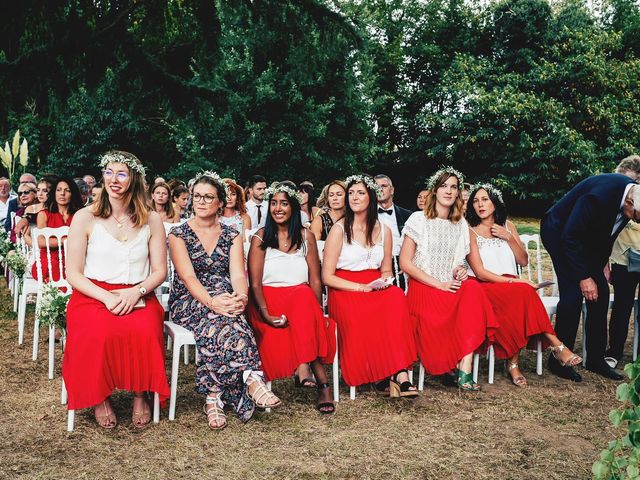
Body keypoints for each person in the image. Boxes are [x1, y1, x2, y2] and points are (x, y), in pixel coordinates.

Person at [62, 150, 170, 429]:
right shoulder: (85, 217)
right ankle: (99, 396)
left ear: (134, 178)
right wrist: (106, 297)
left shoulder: (152, 220)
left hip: (139, 293)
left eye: (121, 173)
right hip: (92, 295)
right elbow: (72, 273)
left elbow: (160, 270)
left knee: (145, 329)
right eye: (109, 172)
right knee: (98, 332)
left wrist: (137, 291)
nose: (114, 179)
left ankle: (139, 393)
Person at [168, 171, 281, 430]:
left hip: (225, 294)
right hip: (189, 298)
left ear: (220, 202)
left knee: (234, 318)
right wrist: (213, 303)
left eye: (208, 197)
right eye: (197, 196)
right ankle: (251, 380)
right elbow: (187, 277)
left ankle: (214, 397)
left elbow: (236, 274)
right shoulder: (178, 234)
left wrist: (240, 298)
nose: (201, 201)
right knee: (218, 319)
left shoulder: (232, 234)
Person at [466, 184, 582, 386]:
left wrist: (509, 238)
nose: (480, 204)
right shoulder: (469, 230)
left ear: (495, 202)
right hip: (485, 286)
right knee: (523, 292)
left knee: (521, 297)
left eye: (485, 199)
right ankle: (554, 345)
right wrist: (515, 281)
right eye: (475, 201)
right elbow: (480, 272)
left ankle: (516, 363)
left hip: (513, 288)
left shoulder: (508, 225)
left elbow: (523, 261)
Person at [399, 167, 497, 391]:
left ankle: (465, 365)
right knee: (469, 292)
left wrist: (459, 271)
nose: (449, 191)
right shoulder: (418, 219)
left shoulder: (460, 224)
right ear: (435, 190)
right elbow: (405, 263)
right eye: (444, 185)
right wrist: (439, 284)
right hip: (424, 288)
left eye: (454, 186)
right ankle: (458, 364)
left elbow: (456, 263)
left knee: (472, 288)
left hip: (448, 286)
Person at [322, 175, 418, 397]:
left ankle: (400, 373)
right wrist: (360, 287)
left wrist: (383, 281)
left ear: (371, 197)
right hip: (345, 289)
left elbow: (386, 268)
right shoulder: (338, 230)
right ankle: (381, 372)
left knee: (396, 298)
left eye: (361, 193)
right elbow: (327, 276)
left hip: (374, 286)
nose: (354, 197)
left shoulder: (384, 230)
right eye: (352, 193)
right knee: (363, 313)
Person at [541, 171, 640, 381]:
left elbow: (607, 235)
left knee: (601, 291)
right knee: (572, 295)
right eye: (637, 217)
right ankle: (558, 359)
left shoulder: (633, 192)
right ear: (630, 203)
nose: (637, 222)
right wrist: (584, 277)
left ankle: (595, 359)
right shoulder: (597, 198)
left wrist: (602, 264)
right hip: (559, 233)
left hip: (584, 238)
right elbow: (570, 237)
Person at [247, 183, 335, 413]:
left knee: (304, 294)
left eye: (284, 203)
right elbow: (254, 283)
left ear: (294, 207)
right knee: (302, 298)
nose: (278, 208)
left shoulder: (306, 236)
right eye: (273, 203)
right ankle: (322, 384)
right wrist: (266, 314)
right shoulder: (260, 237)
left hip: (302, 299)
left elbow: (316, 280)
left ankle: (305, 367)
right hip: (268, 301)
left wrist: (317, 312)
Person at [606, 155, 640, 368]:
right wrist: (604, 264)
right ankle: (614, 351)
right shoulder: (615, 198)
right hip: (622, 260)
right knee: (621, 307)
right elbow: (605, 233)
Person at [26, 177, 83, 282]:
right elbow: (41, 241)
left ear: (73, 194)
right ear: (54, 193)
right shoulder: (44, 214)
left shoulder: (79, 215)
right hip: (49, 258)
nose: (62, 193)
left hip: (73, 258)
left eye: (67, 190)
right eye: (59, 190)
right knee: (56, 269)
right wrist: (65, 240)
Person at [16, 178, 50, 243]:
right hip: (34, 246)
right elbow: (25, 235)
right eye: (38, 190)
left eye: (45, 190)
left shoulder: (56, 209)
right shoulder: (30, 209)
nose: (40, 194)